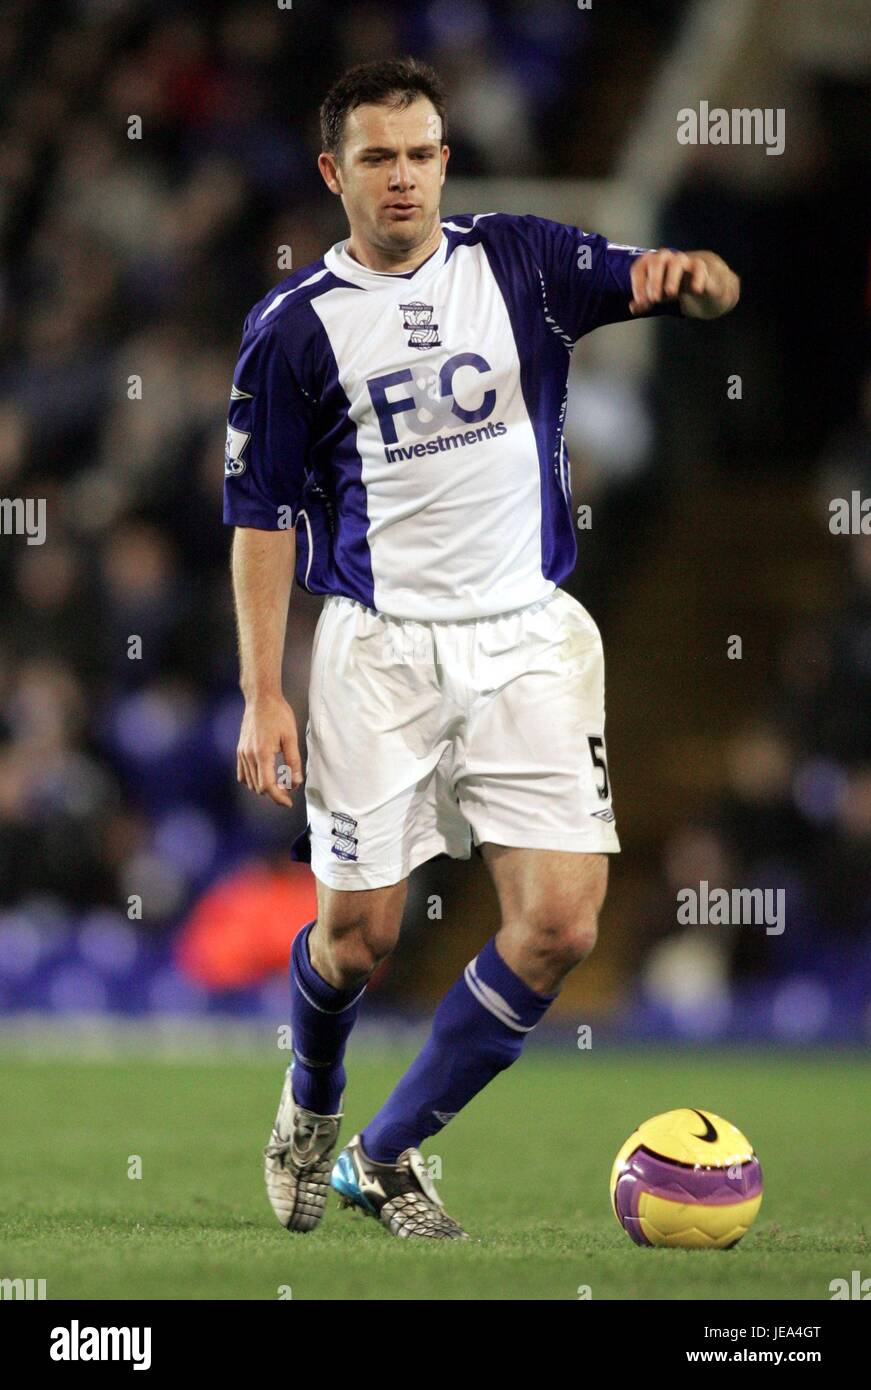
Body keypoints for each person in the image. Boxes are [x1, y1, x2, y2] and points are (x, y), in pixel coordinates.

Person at [225, 57, 740, 1240]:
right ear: (332, 173)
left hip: (530, 639)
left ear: (444, 160)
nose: (402, 178)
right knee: (358, 942)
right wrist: (265, 692)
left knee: (560, 923)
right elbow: (255, 517)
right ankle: (310, 1100)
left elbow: (653, 281)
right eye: (376, 158)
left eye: (420, 154)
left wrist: (697, 284)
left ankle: (384, 1153)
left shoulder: (520, 259)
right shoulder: (293, 330)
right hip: (378, 653)